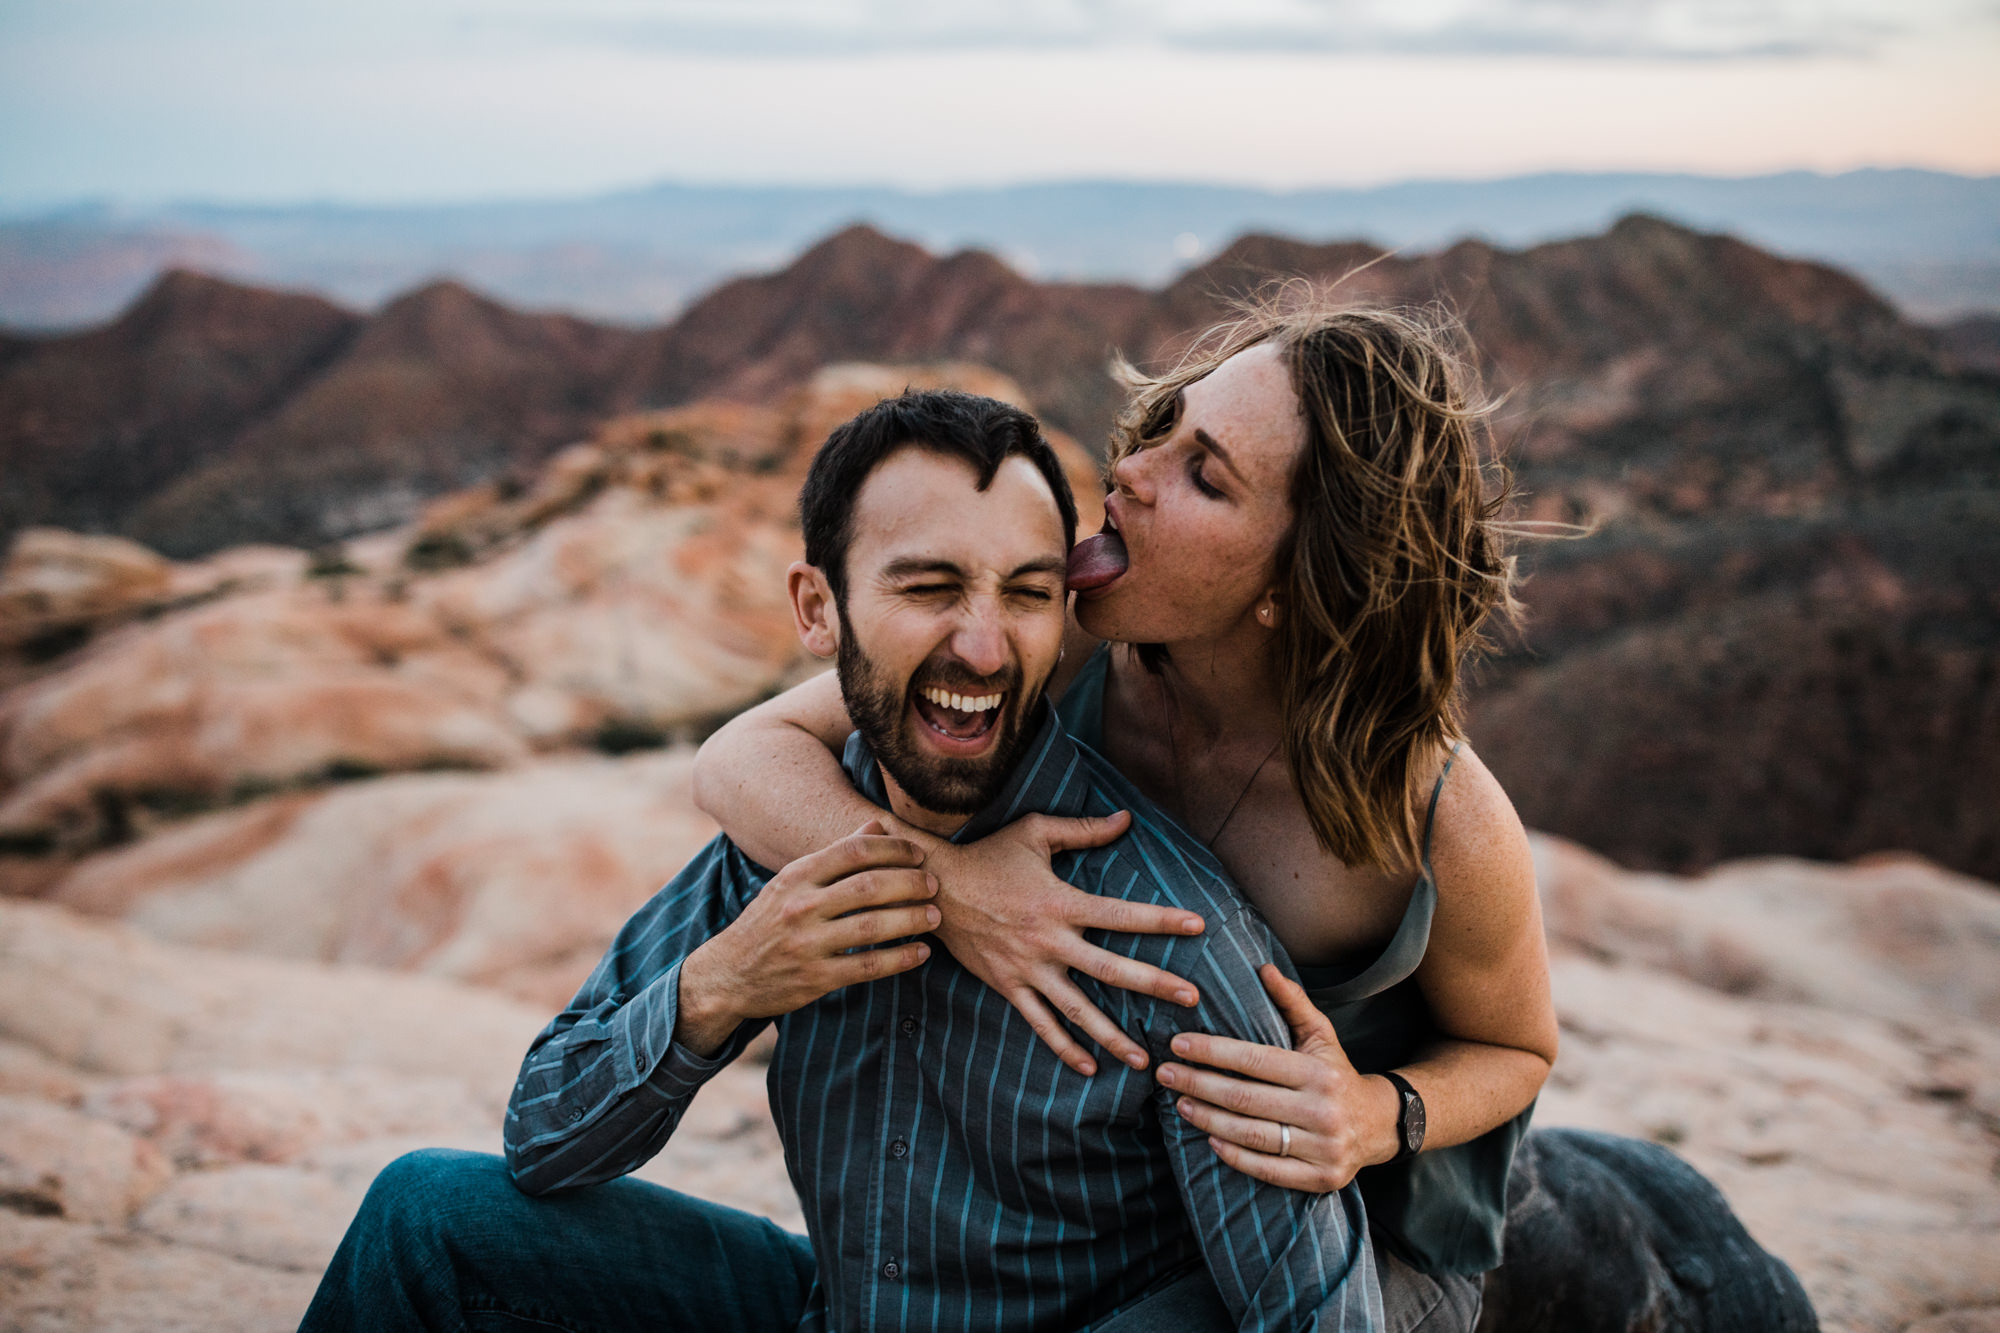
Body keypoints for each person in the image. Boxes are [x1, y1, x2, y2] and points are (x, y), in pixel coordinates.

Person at [298, 388, 1386, 1332]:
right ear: (819, 609)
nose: (980, 645)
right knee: (425, 1218)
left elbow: (1314, 1312)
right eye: (926, 588)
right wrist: (724, 987)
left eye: (1023, 591)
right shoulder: (787, 845)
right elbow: (543, 1138)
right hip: (832, 1311)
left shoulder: (1164, 940)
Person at [694, 303, 1561, 1328]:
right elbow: (740, 757)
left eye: (1204, 474)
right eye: (1162, 428)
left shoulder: (1425, 811)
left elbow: (1516, 1050)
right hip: (1126, 1218)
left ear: (1297, 577)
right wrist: (950, 888)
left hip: (1358, 1238)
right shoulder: (1052, 654)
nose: (1129, 471)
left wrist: (1375, 1114)